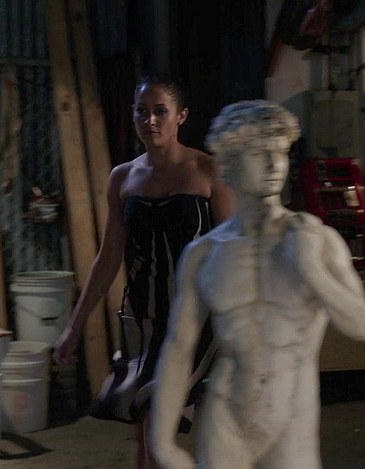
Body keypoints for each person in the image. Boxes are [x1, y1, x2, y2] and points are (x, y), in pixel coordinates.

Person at [150, 100, 365, 469]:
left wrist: (312, 271)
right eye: (259, 153)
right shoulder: (205, 254)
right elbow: (178, 348)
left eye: (280, 152)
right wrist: (161, 440)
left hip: (291, 413)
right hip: (226, 411)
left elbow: (362, 326)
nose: (274, 165)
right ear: (229, 163)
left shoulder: (315, 240)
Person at [52, 74, 234, 469]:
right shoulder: (123, 177)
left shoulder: (209, 171)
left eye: (160, 111)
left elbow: (234, 253)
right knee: (143, 439)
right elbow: (108, 257)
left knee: (156, 427)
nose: (150, 120)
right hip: (141, 320)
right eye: (141, 111)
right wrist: (74, 326)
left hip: (194, 320)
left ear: (181, 116)